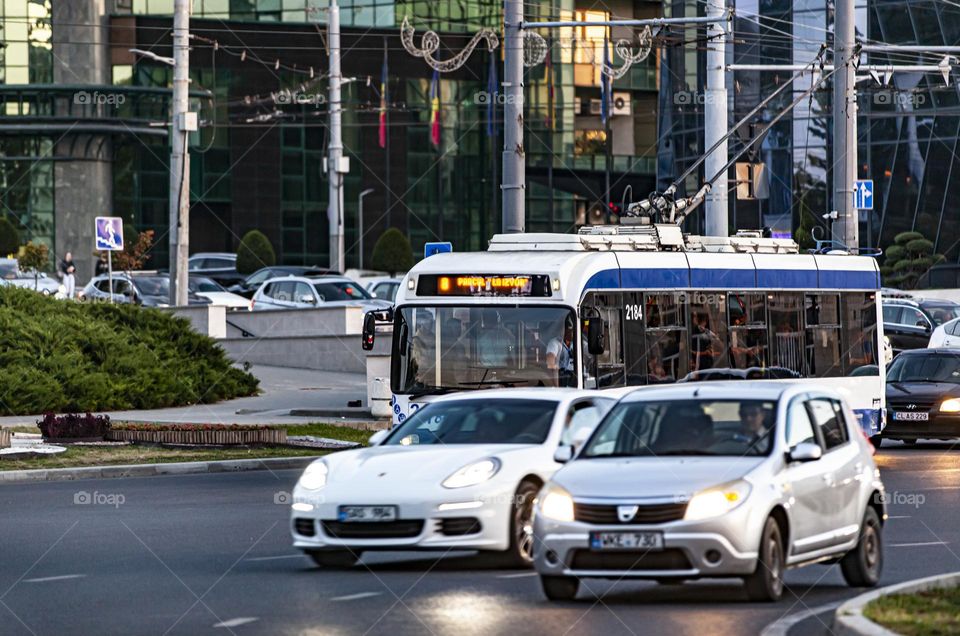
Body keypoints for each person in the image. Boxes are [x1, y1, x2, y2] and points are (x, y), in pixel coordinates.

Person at [546, 316, 575, 387]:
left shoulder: (576, 342)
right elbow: (550, 361)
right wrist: (553, 364)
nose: (572, 333)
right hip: (561, 378)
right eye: (569, 331)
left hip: (574, 377)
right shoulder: (554, 343)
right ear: (564, 331)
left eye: (572, 330)